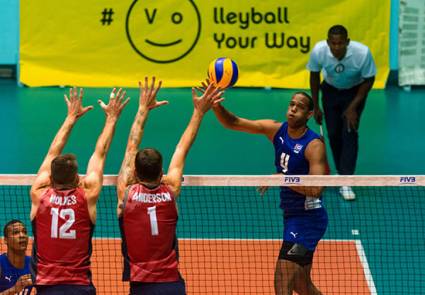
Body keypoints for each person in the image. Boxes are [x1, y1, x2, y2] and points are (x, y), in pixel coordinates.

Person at [212, 92, 328, 295]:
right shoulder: (277, 131)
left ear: (309, 114)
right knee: (301, 285)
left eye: (299, 107)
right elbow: (233, 122)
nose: (293, 109)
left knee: (282, 280)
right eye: (291, 104)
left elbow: (317, 189)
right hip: (292, 217)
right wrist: (215, 105)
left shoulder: (313, 145)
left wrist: (282, 178)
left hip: (308, 221)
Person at [117, 77, 222, 295]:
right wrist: (199, 112)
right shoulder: (171, 189)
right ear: (162, 172)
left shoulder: (126, 193)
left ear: (135, 173)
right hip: (172, 284)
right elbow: (182, 147)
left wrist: (143, 109)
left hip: (141, 286)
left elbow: (130, 146)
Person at [30, 87, 129, 294]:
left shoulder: (39, 194)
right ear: (77, 178)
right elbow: (100, 154)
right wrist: (111, 118)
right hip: (80, 287)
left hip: (47, 287)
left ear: (50, 177)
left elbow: (52, 152)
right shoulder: (87, 195)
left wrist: (70, 118)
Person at [307, 24, 376, 200]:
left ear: (347, 42)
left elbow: (369, 79)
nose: (336, 47)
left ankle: (346, 179)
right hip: (330, 91)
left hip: (354, 92)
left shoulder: (362, 53)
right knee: (334, 134)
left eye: (340, 43)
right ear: (328, 42)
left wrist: (353, 107)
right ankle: (340, 172)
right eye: (333, 43)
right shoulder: (319, 51)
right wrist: (316, 106)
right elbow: (314, 76)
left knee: (349, 132)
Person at [0, 220, 32, 295]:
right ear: (5, 240)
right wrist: (14, 289)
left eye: (24, 232)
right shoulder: (1, 264)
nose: (22, 235)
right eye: (16, 233)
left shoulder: (33, 264)